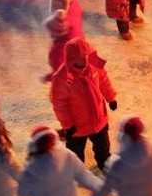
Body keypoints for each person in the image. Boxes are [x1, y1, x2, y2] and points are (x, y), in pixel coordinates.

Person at [50, 37, 117, 170]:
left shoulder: (94, 65)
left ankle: (105, 163)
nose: (85, 60)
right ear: (71, 59)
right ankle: (77, 170)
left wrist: (111, 97)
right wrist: (68, 125)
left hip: (99, 120)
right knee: (75, 152)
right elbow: (59, 104)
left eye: (86, 56)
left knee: (103, 146)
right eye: (80, 58)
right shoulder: (62, 78)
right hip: (78, 126)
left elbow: (104, 80)